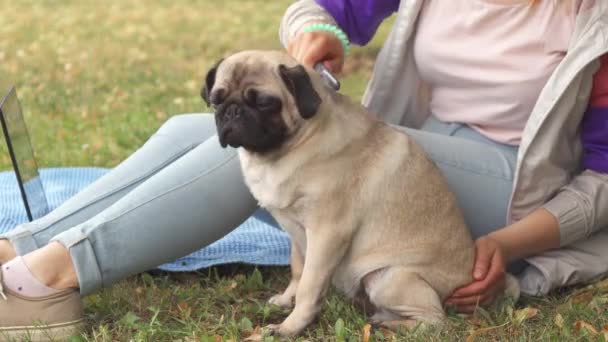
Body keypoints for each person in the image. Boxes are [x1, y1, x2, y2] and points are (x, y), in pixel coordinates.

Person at [0, 0, 606, 338]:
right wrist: (316, 35)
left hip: (512, 185)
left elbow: (604, 183)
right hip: (413, 153)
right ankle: (24, 245)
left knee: (277, 159)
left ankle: (48, 281)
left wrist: (505, 241)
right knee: (197, 129)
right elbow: (320, 7)